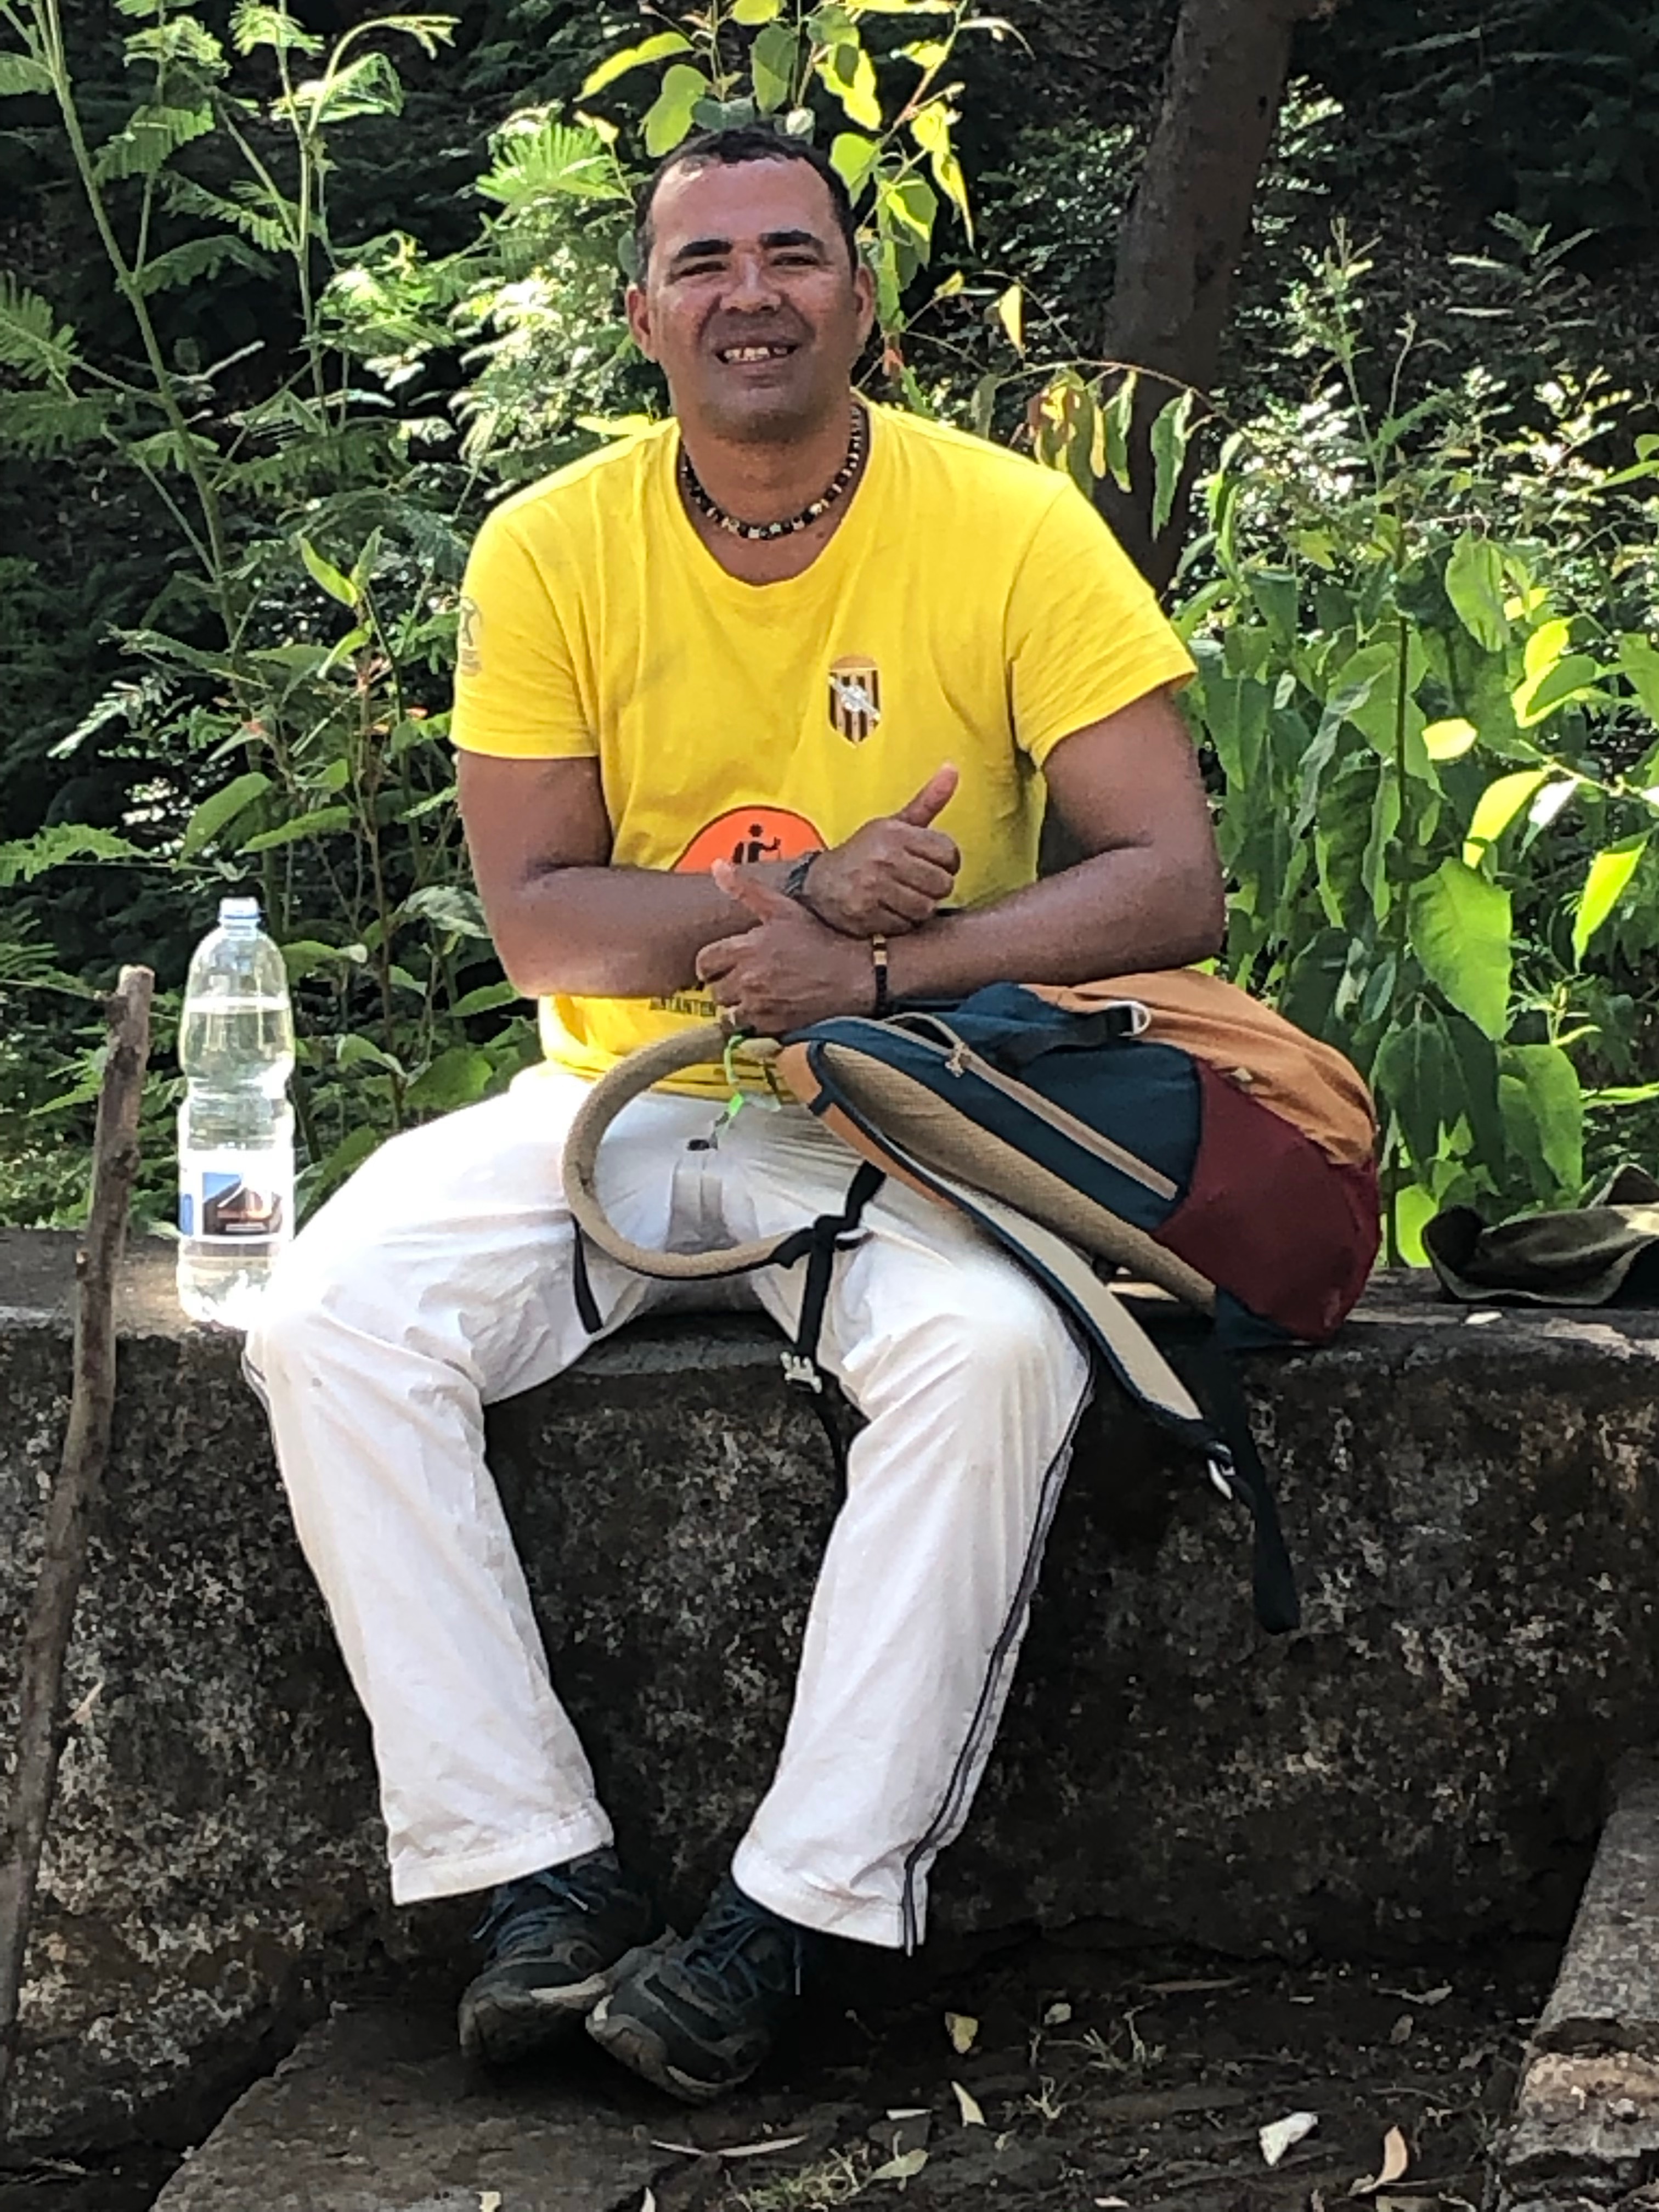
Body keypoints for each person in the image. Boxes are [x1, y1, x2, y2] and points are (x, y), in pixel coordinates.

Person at [245, 122, 1222, 2107]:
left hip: (898, 1101)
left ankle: (790, 1916)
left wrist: (876, 971)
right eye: (704, 263)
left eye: (792, 254)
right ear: (643, 317)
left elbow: (1169, 879)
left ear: (861, 299)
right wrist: (789, 898)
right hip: (611, 1091)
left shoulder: (1012, 525)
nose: (750, 294)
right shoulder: (551, 545)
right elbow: (540, 919)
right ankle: (537, 1878)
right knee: (329, 1319)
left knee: (995, 1357)